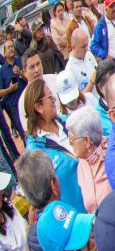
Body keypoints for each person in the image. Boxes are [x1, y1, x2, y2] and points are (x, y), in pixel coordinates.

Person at [24, 78, 86, 213]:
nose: (54, 99)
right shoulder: (34, 152)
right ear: (38, 107)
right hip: (78, 219)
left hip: (95, 201)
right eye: (50, 96)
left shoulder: (66, 122)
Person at [66, 106, 111, 213]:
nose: (70, 144)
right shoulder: (82, 164)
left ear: (86, 140)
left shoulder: (110, 156)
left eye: (72, 140)